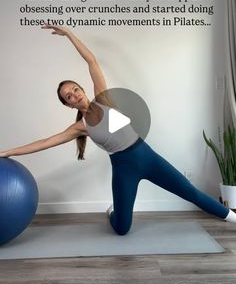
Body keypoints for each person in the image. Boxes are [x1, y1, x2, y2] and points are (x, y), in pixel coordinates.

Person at [0, 24, 235, 235]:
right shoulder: (80, 127)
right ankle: (113, 212)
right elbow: (43, 143)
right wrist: (7, 152)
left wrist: (69, 34)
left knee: (190, 193)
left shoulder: (104, 99)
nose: (74, 95)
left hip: (146, 156)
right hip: (123, 169)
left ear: (82, 88)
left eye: (74, 89)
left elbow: (92, 61)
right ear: (68, 104)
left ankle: (233, 218)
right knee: (122, 228)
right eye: (68, 97)